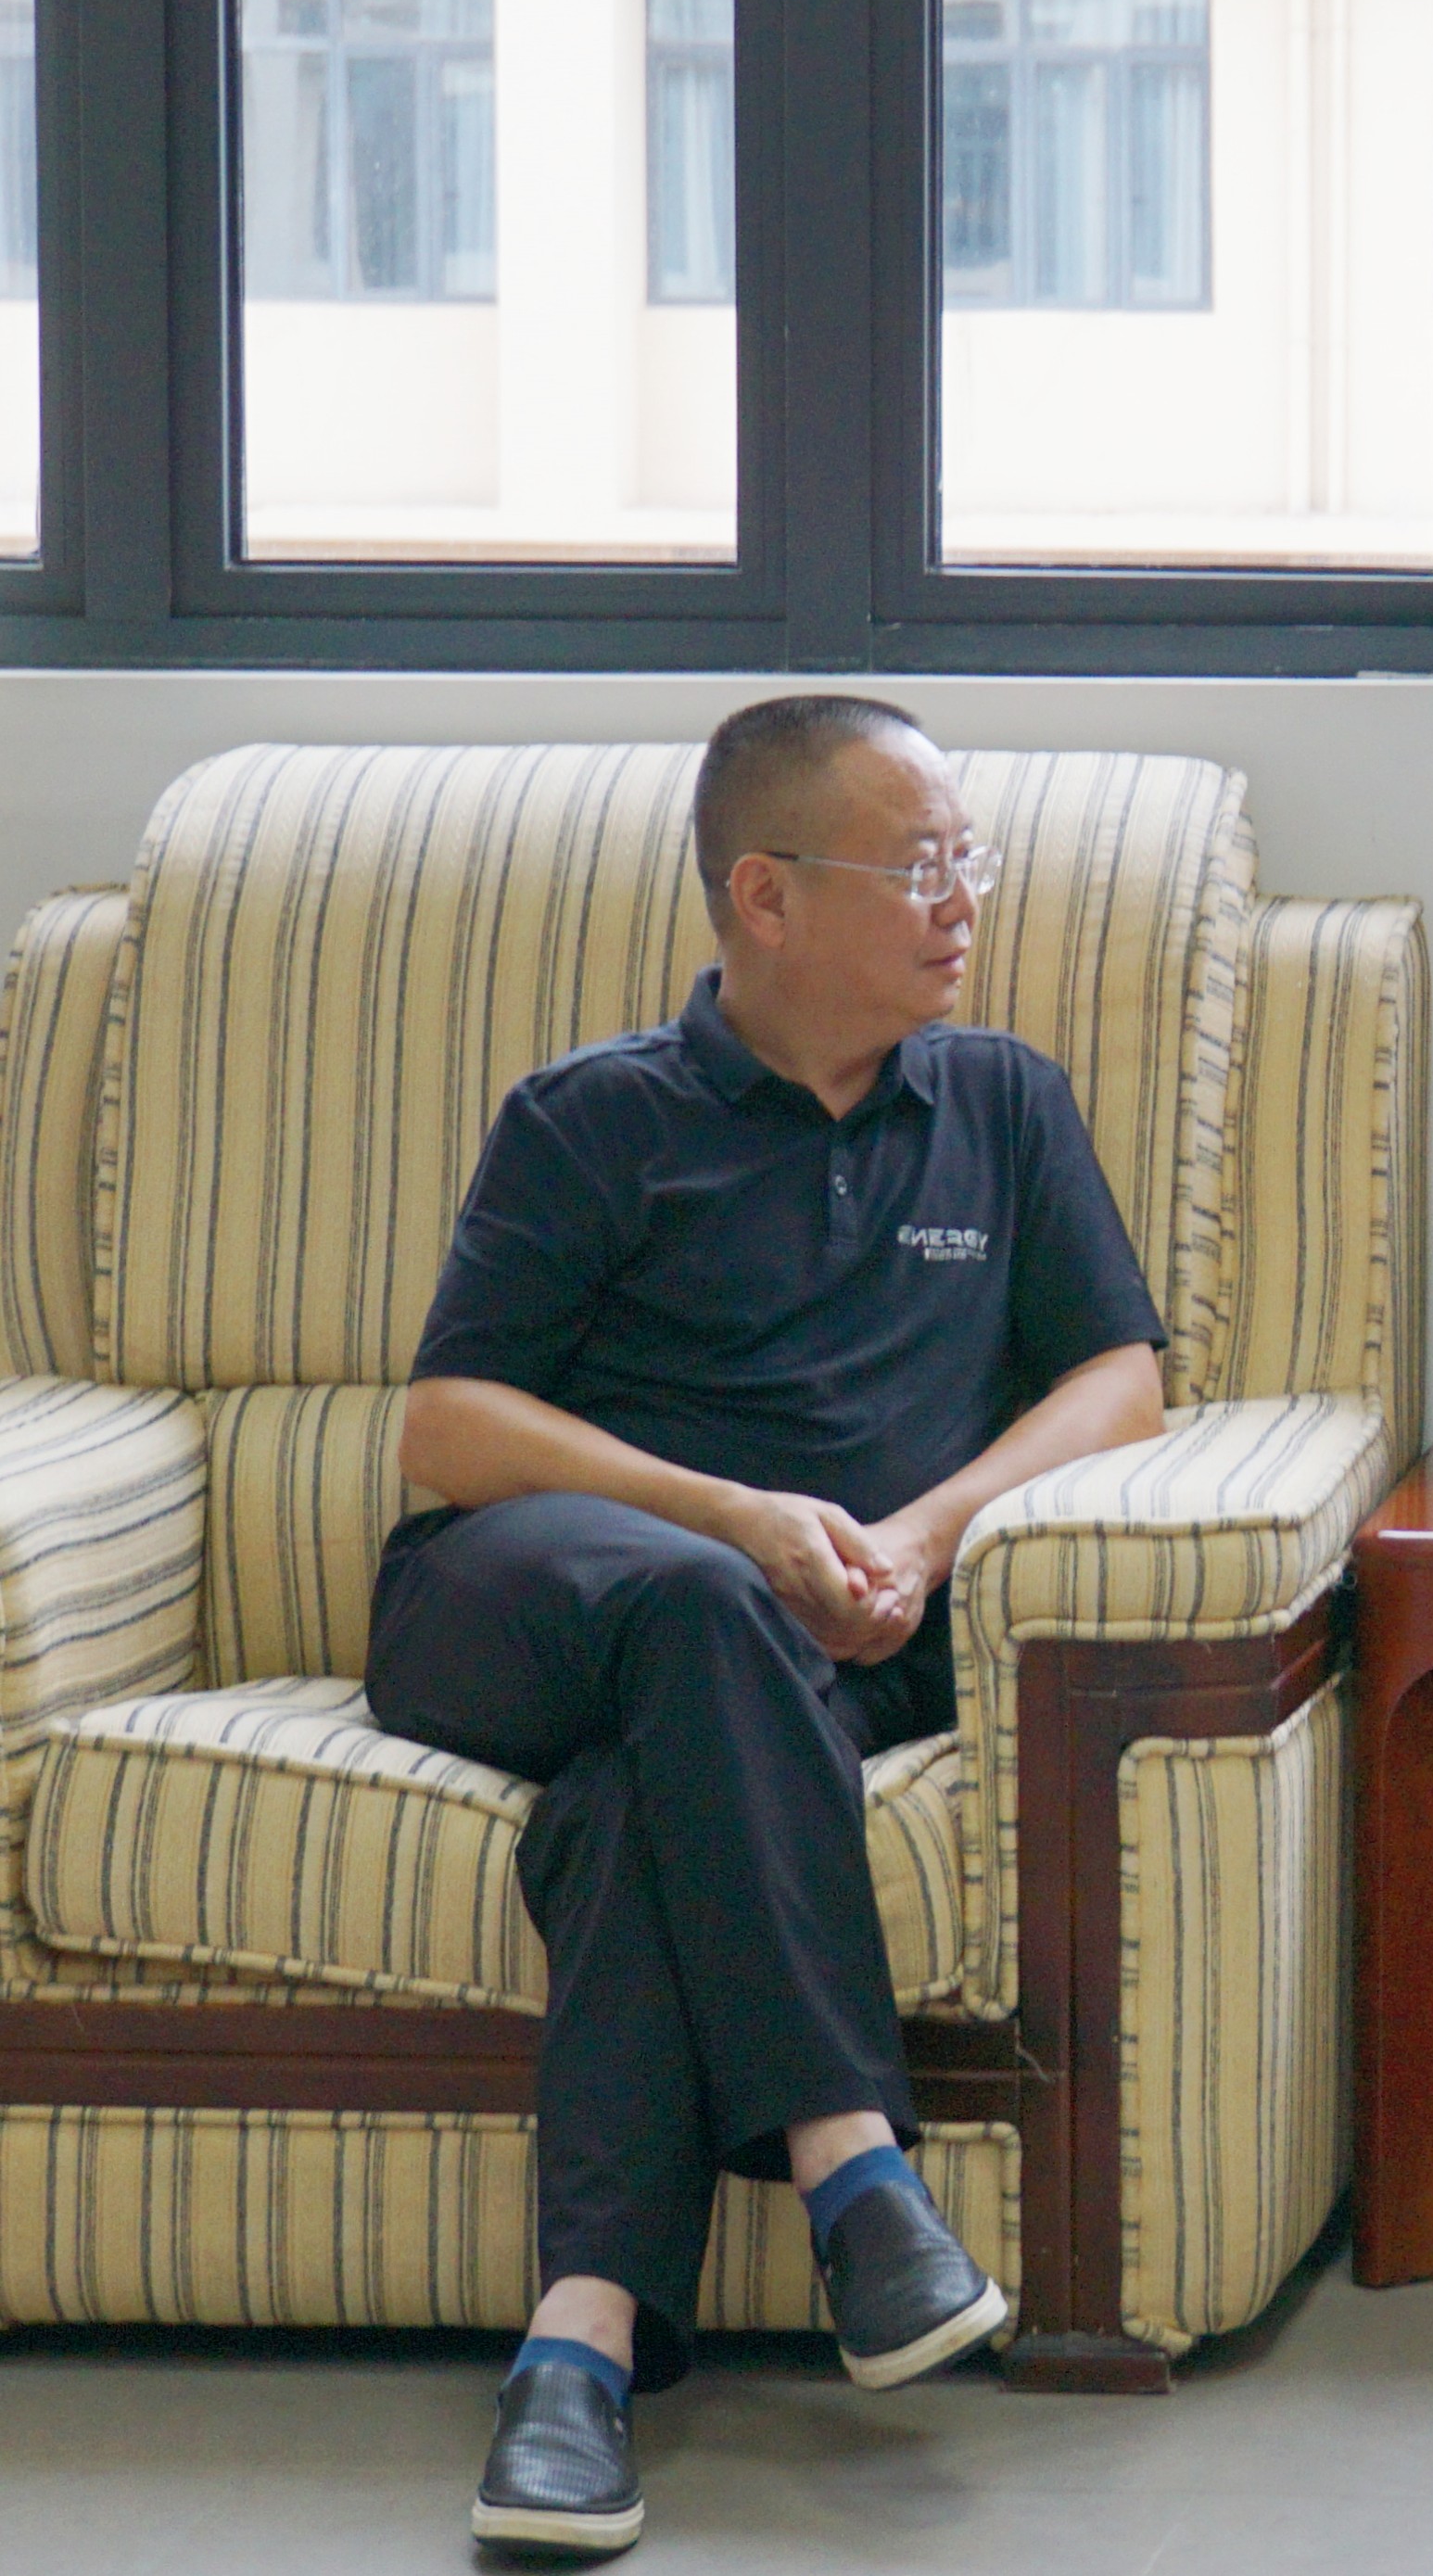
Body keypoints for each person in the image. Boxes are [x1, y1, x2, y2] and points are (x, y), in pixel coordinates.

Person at [366, 694, 1171, 2557]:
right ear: (767, 894)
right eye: (920, 864)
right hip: (532, 1602)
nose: (963, 898)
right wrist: (732, 1516)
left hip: (825, 1651)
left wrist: (919, 1532)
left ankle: (575, 2357)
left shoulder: (1001, 1102)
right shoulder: (595, 1116)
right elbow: (450, 1427)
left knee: (638, 1804)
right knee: (701, 1608)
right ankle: (854, 2171)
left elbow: (1119, 1377)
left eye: (968, 858)